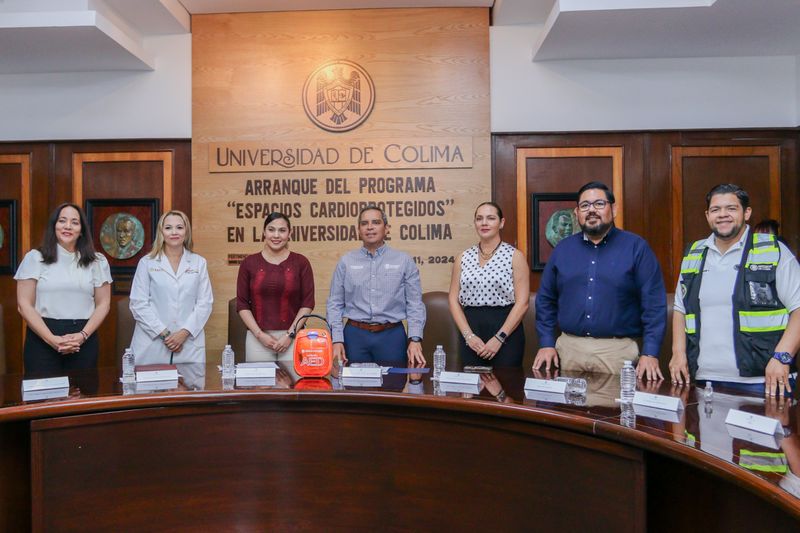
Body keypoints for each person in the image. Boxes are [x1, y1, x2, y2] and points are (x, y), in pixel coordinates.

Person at [669, 184, 800, 397]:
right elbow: (680, 309)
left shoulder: (773, 250)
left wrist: (782, 357)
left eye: (731, 208)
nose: (723, 215)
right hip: (706, 380)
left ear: (746, 213)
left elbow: (798, 308)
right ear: (707, 215)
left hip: (763, 381)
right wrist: (678, 353)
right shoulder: (694, 253)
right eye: (715, 209)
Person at [533, 181, 666, 379]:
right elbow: (545, 301)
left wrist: (650, 352)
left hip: (618, 352)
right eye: (585, 206)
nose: (591, 210)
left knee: (615, 410)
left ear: (614, 209)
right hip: (568, 350)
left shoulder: (636, 248)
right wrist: (546, 343)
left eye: (599, 204)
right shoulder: (562, 250)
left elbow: (654, 304)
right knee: (565, 410)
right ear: (577, 213)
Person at [15, 203, 112, 375]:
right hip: (42, 338)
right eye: (62, 221)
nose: (68, 226)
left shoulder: (97, 261)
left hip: (83, 338)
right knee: (43, 399)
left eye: (74, 222)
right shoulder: (35, 258)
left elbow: (103, 304)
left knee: (83, 397)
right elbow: (24, 305)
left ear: (81, 230)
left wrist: (82, 335)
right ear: (54, 226)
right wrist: (52, 339)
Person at [327, 205, 426, 366]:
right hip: (354, 337)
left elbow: (415, 303)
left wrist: (414, 339)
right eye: (364, 223)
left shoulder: (403, 261)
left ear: (386, 228)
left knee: (393, 387)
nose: (370, 227)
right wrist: (336, 339)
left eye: (376, 222)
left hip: (392, 336)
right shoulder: (346, 262)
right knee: (354, 388)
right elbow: (334, 304)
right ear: (358, 230)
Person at [448, 202, 529, 366]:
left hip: (506, 332)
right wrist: (468, 336)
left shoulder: (515, 256)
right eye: (479, 219)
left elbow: (523, 303)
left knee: (507, 387)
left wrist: (500, 338)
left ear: (502, 223)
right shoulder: (463, 257)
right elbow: (453, 300)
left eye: (491, 218)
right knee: (472, 388)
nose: (484, 223)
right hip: (471, 332)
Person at [129, 210, 213, 364]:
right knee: (149, 386)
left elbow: (205, 303)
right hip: (152, 342)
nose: (174, 232)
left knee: (189, 386)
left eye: (179, 227)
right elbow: (138, 304)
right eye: (168, 228)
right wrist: (166, 335)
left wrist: (183, 333)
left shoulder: (199, 263)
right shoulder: (147, 262)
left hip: (188, 343)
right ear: (161, 232)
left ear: (186, 231)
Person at [236, 212, 315, 362]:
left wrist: (289, 335)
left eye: (282, 230)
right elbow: (242, 304)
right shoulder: (249, 263)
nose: (276, 235)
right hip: (257, 338)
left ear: (290, 234)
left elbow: (308, 303)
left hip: (292, 337)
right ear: (264, 233)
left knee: (295, 384)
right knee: (259, 385)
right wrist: (260, 335)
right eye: (271, 230)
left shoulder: (301, 262)